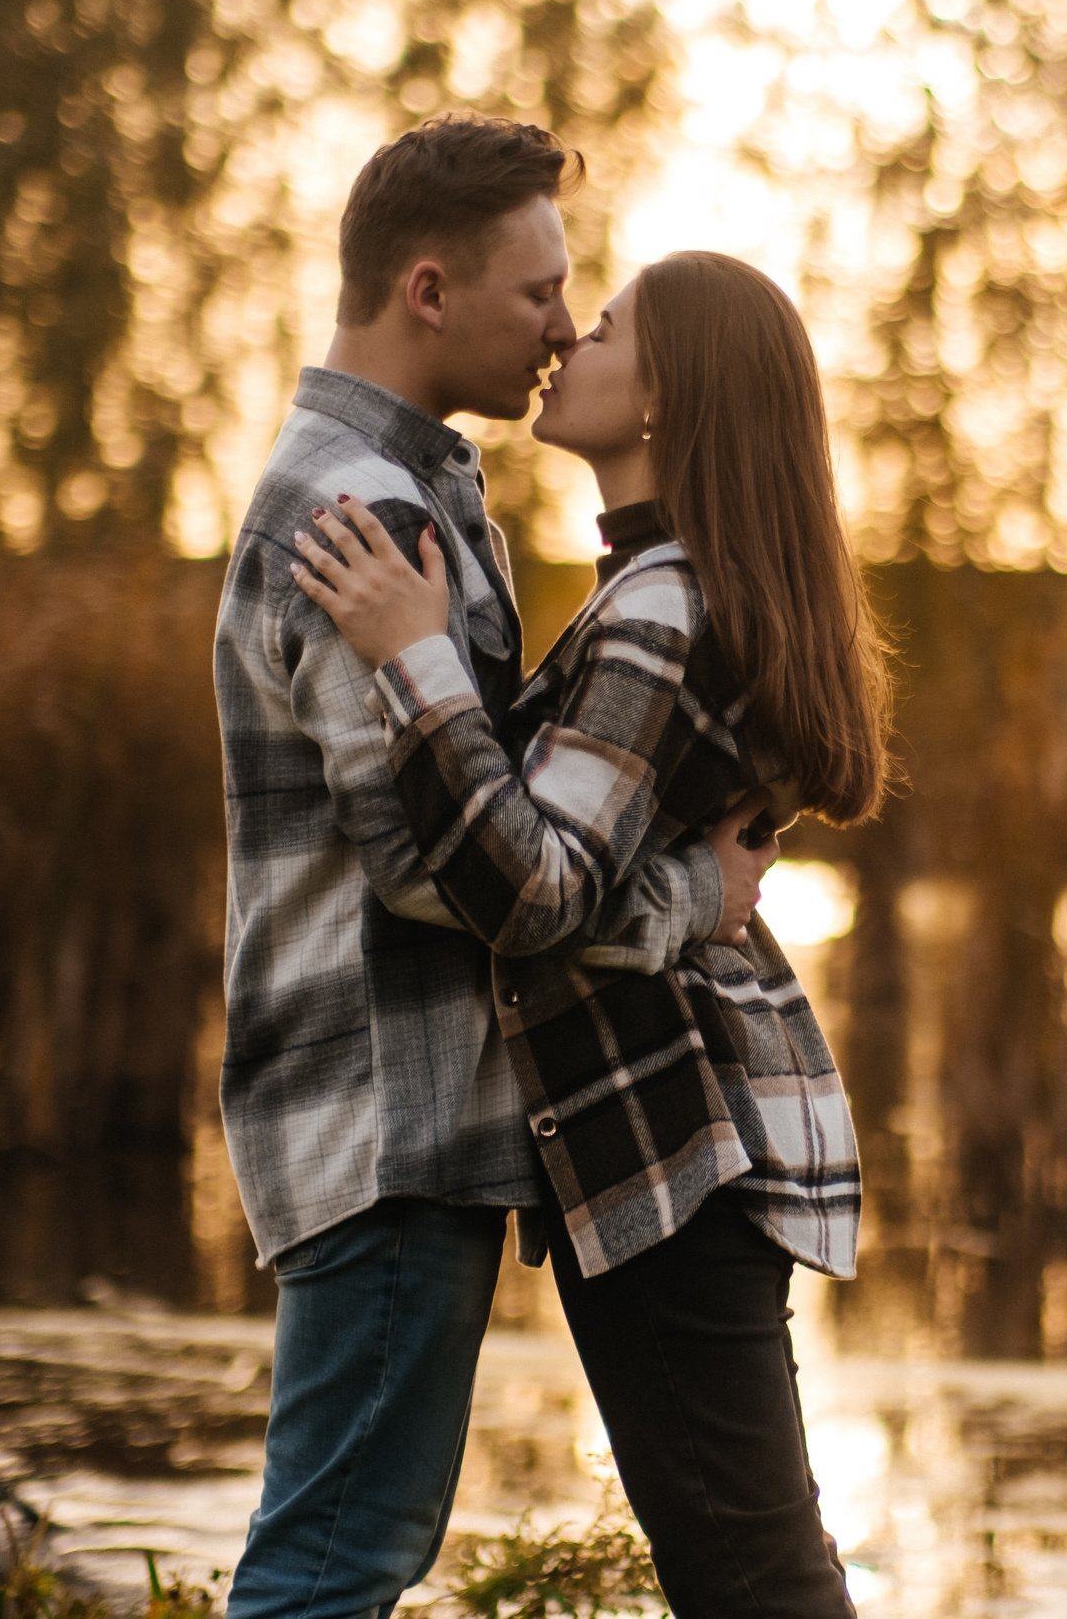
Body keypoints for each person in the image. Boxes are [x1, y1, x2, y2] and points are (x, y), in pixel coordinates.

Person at [211, 117, 780, 1619]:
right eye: (541, 291)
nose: (560, 327)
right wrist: (693, 902)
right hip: (389, 1107)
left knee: (343, 1555)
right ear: (428, 291)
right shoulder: (367, 514)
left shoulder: (420, 494)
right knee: (332, 1568)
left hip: (393, 1110)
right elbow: (443, 866)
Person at [288, 249, 893, 1618]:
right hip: (675, 1141)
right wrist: (689, 895)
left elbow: (536, 892)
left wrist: (417, 657)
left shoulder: (664, 606)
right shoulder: (664, 588)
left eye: (605, 326)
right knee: (749, 1568)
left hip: (671, 1140)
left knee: (752, 1579)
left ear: (667, 397)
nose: (570, 337)